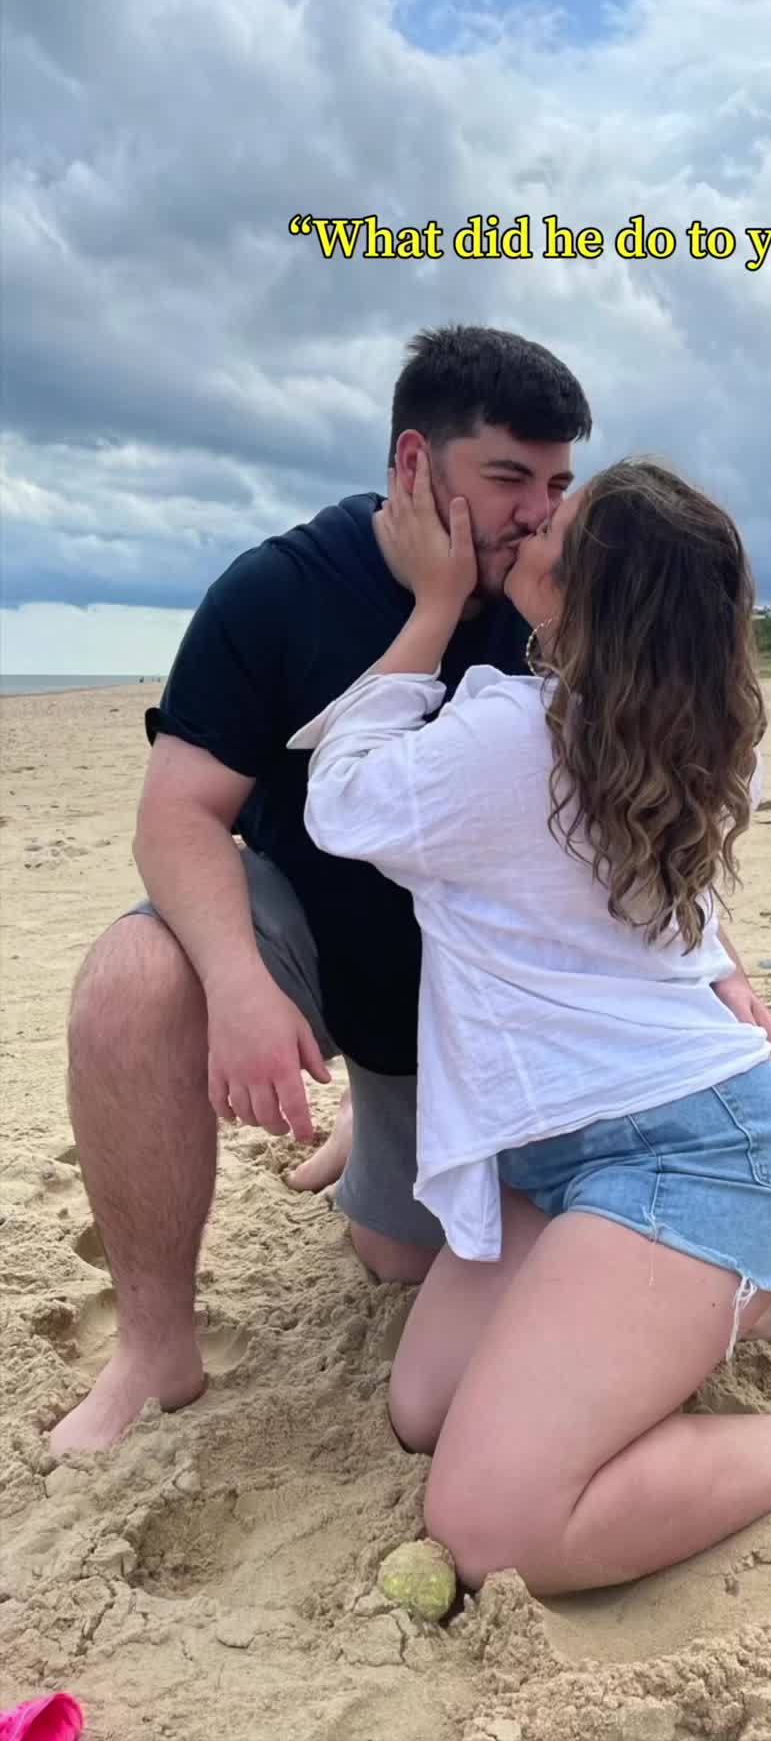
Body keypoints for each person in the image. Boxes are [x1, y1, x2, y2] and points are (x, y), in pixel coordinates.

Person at [289, 454, 771, 1598]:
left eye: (559, 524)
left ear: (582, 598)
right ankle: (746, 1302)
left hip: (697, 1160)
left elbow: (340, 795)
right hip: (575, 1156)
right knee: (424, 1408)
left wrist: (434, 607)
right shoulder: (678, 738)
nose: (535, 518)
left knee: (491, 1526)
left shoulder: (513, 742)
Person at [48, 324, 592, 1456]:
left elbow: (641, 815)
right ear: (415, 463)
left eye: (556, 485)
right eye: (509, 479)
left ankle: (370, 1123)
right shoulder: (277, 589)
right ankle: (154, 1349)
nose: (537, 514)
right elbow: (176, 816)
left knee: (402, 1261)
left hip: (481, 993)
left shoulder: (555, 597)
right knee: (132, 977)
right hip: (318, 932)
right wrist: (238, 985)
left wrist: (726, 976)